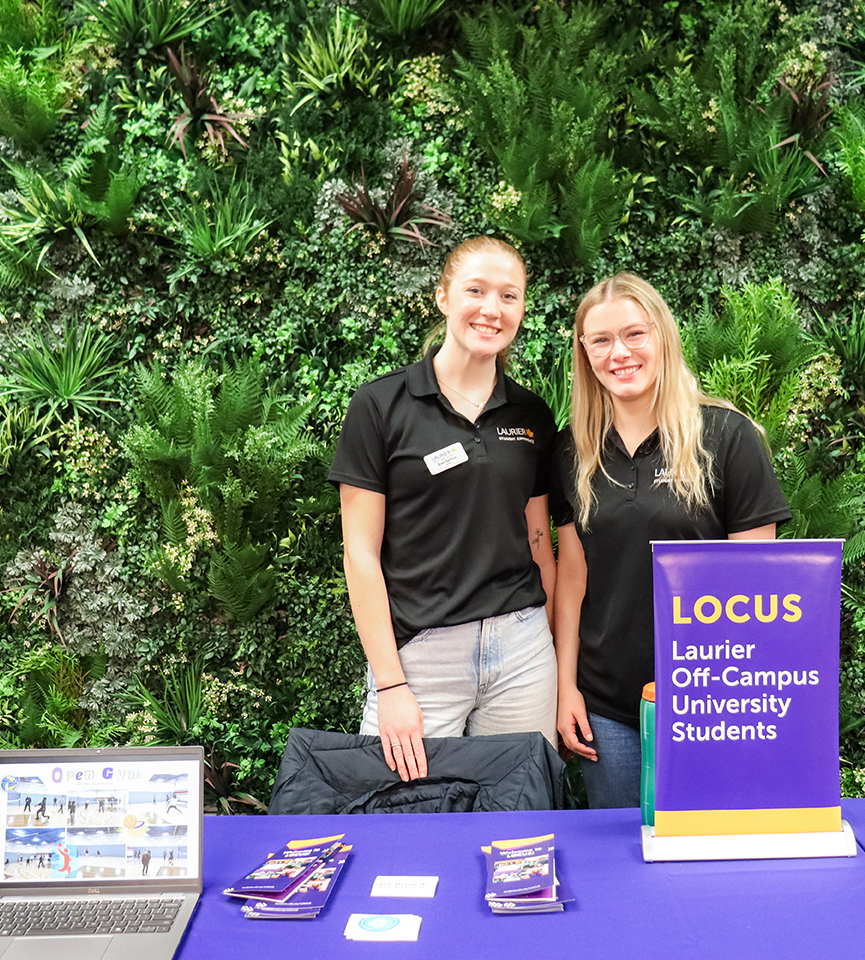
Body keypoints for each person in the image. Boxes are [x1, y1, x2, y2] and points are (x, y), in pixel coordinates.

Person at [551, 273, 791, 808]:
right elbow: (572, 578)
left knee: (708, 865)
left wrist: (739, 697)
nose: (620, 352)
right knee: (620, 861)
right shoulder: (573, 449)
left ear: (663, 336)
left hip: (708, 699)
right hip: (608, 706)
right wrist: (566, 686)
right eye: (602, 340)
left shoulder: (727, 436)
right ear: (585, 352)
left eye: (635, 334)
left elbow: (760, 585)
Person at [331, 236, 559, 783]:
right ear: (442, 298)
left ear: (523, 308)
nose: (491, 309)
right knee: (402, 820)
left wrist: (545, 644)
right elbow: (360, 556)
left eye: (509, 296)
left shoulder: (531, 413)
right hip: (420, 657)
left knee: (520, 825)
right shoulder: (381, 405)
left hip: (522, 650)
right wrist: (389, 685)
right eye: (475, 291)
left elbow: (537, 541)